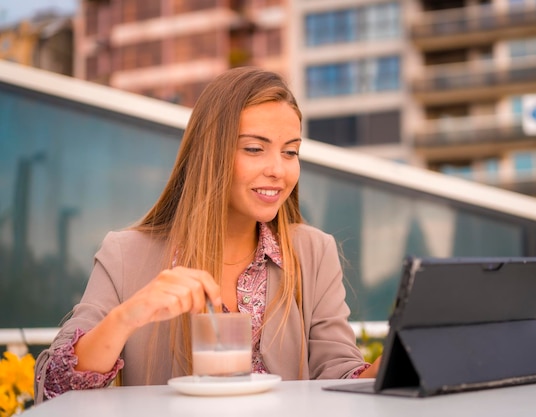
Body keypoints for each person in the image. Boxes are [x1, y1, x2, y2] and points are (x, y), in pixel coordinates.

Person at [34, 66, 379, 403]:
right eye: (255, 149)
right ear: (210, 153)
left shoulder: (314, 252)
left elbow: (339, 376)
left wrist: (392, 363)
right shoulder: (125, 255)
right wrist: (128, 315)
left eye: (290, 151)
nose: (278, 170)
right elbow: (54, 388)